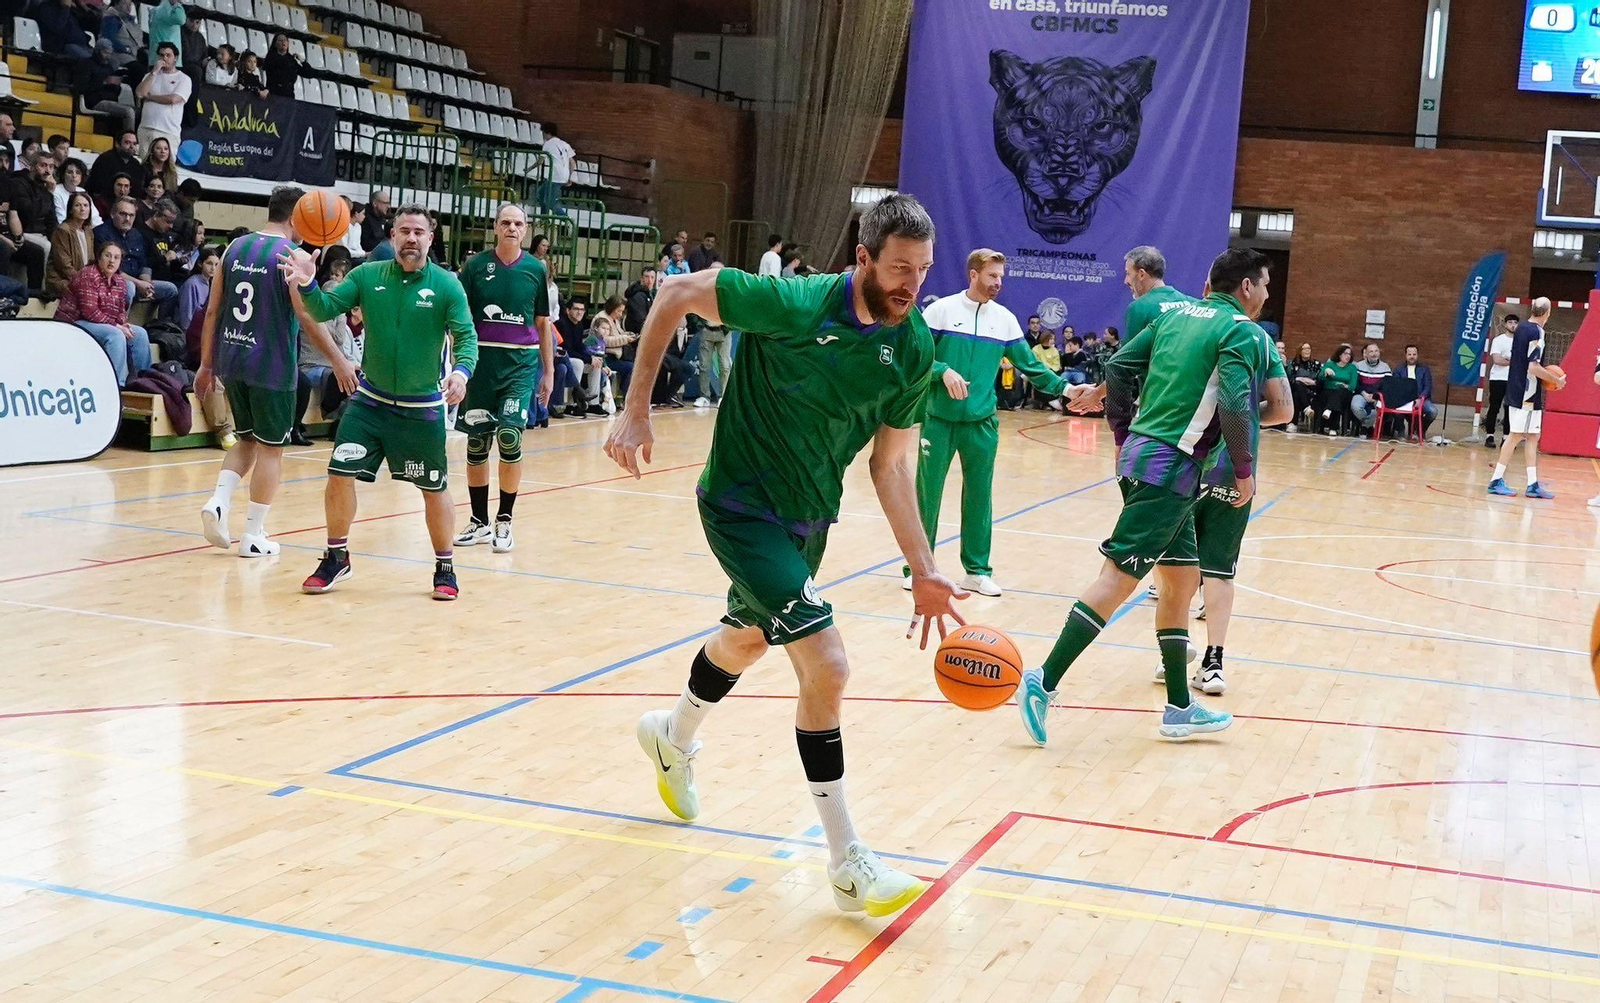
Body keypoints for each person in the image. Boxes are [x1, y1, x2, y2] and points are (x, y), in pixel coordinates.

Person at [602, 193, 965, 918]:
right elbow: (675, 293)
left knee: (746, 638)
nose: (911, 284)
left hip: (807, 522)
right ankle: (846, 859)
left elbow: (890, 468)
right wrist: (635, 406)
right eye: (898, 268)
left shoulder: (914, 346)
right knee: (826, 662)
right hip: (739, 507)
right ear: (861, 258)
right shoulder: (794, 303)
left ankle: (671, 737)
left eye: (922, 271)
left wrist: (924, 567)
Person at [1021, 248, 1282, 745]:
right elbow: (1232, 401)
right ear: (1246, 287)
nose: (1267, 296)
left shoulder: (1176, 314)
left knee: (1181, 583)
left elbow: (1118, 367)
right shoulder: (1242, 332)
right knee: (1118, 579)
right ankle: (1043, 681)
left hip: (1148, 461)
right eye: (1265, 286)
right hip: (1169, 470)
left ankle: (1179, 707)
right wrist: (1244, 472)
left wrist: (1122, 431)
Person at [281, 203, 478, 599]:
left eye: (418, 232)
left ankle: (445, 566)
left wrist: (461, 372)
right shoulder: (367, 275)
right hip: (369, 403)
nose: (410, 238)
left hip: (420, 409)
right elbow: (321, 309)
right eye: (403, 231)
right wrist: (306, 284)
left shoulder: (447, 285)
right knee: (339, 473)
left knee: (434, 487)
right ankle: (336, 558)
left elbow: (467, 338)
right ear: (392, 237)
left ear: (429, 238)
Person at [198, 187, 356, 558]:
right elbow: (307, 315)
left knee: (247, 441)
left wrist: (207, 364)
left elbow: (211, 310)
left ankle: (219, 501)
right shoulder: (292, 256)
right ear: (299, 216)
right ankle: (253, 535)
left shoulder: (234, 248)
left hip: (233, 359)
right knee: (271, 451)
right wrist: (338, 359)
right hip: (271, 365)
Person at [912, 248, 1067, 597]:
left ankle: (977, 571)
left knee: (980, 497)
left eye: (1001, 277)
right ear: (973, 274)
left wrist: (1068, 390)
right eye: (992, 276)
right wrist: (942, 370)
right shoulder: (940, 312)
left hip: (982, 423)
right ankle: (919, 568)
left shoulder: (1005, 320)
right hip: (937, 420)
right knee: (927, 495)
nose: (998, 283)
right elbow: (915, 357)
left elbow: (1031, 367)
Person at [452, 204, 556, 554]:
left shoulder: (534, 269)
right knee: (477, 443)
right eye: (505, 222)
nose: (512, 227)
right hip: (481, 361)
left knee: (510, 436)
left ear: (526, 230)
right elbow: (458, 312)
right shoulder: (476, 266)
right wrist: (458, 359)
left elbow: (542, 323)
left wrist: (550, 371)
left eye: (518, 223)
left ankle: (505, 520)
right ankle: (479, 521)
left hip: (520, 363)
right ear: (495, 227)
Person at [1489, 298, 1563, 498]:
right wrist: (1556, 380)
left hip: (1520, 389)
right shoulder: (1536, 332)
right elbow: (1533, 367)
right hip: (1526, 393)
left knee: (1532, 437)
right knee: (1516, 435)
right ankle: (1495, 480)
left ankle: (1532, 484)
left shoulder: (1521, 327)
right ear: (1548, 313)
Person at [53, 242, 151, 386]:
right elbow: (89, 311)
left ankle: (143, 383)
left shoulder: (119, 281)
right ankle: (115, 386)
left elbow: (120, 310)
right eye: (108, 256)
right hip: (73, 323)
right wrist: (117, 326)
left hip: (103, 324)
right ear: (99, 258)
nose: (112, 261)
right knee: (116, 335)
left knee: (139, 333)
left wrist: (123, 324)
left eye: (116, 258)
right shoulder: (88, 274)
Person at [293, 247, 359, 443]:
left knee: (353, 377)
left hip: (329, 364)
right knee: (337, 376)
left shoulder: (338, 310)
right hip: (309, 365)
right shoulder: (314, 303)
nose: (335, 281)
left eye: (339, 276)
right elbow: (337, 337)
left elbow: (338, 336)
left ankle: (338, 422)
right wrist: (333, 313)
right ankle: (330, 412)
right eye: (333, 275)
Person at [177, 246, 238, 448]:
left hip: (231, 367)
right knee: (214, 381)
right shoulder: (203, 316)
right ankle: (224, 432)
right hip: (204, 366)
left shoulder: (238, 319)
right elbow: (196, 351)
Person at [8, 153, 57, 288]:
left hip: (40, 233)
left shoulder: (45, 187)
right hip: (22, 232)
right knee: (45, 247)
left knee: (60, 243)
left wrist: (57, 237)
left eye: (51, 166)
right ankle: (39, 291)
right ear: (31, 167)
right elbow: (29, 215)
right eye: (43, 165)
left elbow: (51, 220)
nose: (47, 171)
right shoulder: (19, 184)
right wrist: (49, 193)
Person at [136, 43, 192, 156]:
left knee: (166, 169)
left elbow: (173, 99)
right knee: (144, 167)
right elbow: (140, 93)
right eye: (161, 55)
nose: (164, 58)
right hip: (146, 127)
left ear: (175, 58)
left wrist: (150, 97)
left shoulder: (184, 79)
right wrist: (154, 72)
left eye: (168, 55)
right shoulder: (150, 76)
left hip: (168, 130)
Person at [689, 264, 731, 407]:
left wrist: (728, 327)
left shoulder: (727, 289)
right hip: (707, 330)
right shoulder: (702, 289)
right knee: (704, 365)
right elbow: (693, 307)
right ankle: (704, 396)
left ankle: (723, 396)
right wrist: (699, 324)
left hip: (723, 331)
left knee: (724, 365)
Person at [76, 41, 137, 136]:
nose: (108, 56)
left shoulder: (108, 66)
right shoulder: (86, 64)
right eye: (105, 53)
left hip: (111, 99)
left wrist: (116, 84)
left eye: (109, 53)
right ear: (97, 51)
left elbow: (114, 89)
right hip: (95, 100)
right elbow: (81, 87)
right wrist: (104, 82)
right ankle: (129, 140)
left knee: (140, 111)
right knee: (128, 112)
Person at [46, 191, 95, 298]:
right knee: (88, 293)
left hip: (82, 279)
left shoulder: (88, 230)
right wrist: (83, 281)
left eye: (86, 205)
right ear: (71, 210)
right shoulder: (63, 230)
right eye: (78, 205)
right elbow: (64, 265)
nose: (82, 209)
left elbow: (91, 260)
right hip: (62, 280)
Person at [592, 293, 637, 403]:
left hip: (616, 356)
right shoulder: (601, 318)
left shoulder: (614, 320)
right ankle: (626, 399)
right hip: (605, 356)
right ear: (611, 308)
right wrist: (625, 339)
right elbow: (605, 340)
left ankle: (625, 397)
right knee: (631, 367)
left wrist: (628, 334)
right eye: (619, 311)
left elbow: (618, 334)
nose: (620, 314)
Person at [1483, 314, 1517, 448]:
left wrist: (1509, 361)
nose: (1513, 325)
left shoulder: (1520, 341)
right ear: (1505, 324)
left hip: (1512, 379)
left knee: (1509, 408)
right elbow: (1497, 360)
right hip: (1498, 378)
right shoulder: (1498, 340)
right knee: (1494, 407)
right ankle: (1489, 436)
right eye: (1510, 322)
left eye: (1515, 322)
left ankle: (1506, 438)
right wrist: (1511, 362)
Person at [86, 132, 143, 206]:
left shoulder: (136, 164)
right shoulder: (105, 159)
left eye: (134, 144)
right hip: (103, 203)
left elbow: (137, 188)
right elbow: (96, 186)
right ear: (117, 144)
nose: (132, 146)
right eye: (127, 143)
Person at [1396, 344, 1438, 435]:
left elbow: (1428, 386)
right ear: (1405, 355)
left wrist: (1420, 398)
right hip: (1404, 399)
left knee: (1432, 411)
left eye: (1414, 354)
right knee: (1396, 410)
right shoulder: (1399, 370)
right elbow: (1397, 386)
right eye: (1409, 354)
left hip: (1421, 399)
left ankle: (1421, 429)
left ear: (1417, 355)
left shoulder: (1424, 369)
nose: (1412, 357)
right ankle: (1401, 431)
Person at [1317, 344, 1357, 434]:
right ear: (1339, 354)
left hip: (1344, 394)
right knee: (1334, 397)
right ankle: (1333, 428)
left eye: (1349, 354)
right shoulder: (1329, 364)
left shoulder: (1352, 368)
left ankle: (1329, 410)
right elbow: (1320, 378)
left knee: (1338, 392)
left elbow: (1352, 386)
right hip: (1328, 392)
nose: (1348, 356)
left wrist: (1344, 385)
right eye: (1345, 353)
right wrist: (1325, 371)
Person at [52, 158, 102, 229]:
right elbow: (61, 219)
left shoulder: (82, 191)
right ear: (63, 175)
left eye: (78, 172)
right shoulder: (56, 191)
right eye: (70, 172)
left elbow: (95, 217)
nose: (74, 175)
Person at [540, 122, 574, 213]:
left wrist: (529, 169)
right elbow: (572, 163)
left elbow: (540, 161)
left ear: (547, 132)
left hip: (555, 176)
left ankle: (567, 221)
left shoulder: (548, 144)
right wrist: (569, 177)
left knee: (551, 202)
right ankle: (543, 219)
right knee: (540, 194)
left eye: (543, 133)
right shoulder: (565, 144)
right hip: (563, 175)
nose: (543, 135)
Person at [1288, 342, 1321, 429]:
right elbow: (1290, 379)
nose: (1307, 351)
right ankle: (1307, 408)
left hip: (1312, 390)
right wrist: (1299, 380)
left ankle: (1293, 423)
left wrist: (1312, 382)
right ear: (1300, 351)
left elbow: (1320, 381)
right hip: (1297, 389)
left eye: (1309, 348)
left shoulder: (1316, 364)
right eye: (1305, 349)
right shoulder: (1293, 364)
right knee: (1297, 389)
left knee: (1297, 393)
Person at [99, 0, 140, 69]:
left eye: (130, 4)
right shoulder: (111, 19)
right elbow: (109, 39)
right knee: (138, 69)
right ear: (117, 4)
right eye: (124, 4)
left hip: (134, 52)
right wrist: (126, 49)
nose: (128, 7)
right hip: (118, 53)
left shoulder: (129, 19)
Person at [263, 33, 301, 99]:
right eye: (280, 40)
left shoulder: (291, 59)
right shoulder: (271, 57)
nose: (283, 42)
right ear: (275, 44)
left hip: (289, 94)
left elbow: (307, 73)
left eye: (285, 40)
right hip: (274, 93)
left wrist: (303, 61)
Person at [625, 266, 656, 332]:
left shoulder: (654, 294)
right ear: (642, 278)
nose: (650, 280)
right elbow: (640, 319)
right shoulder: (636, 296)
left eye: (652, 277)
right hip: (638, 332)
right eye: (647, 277)